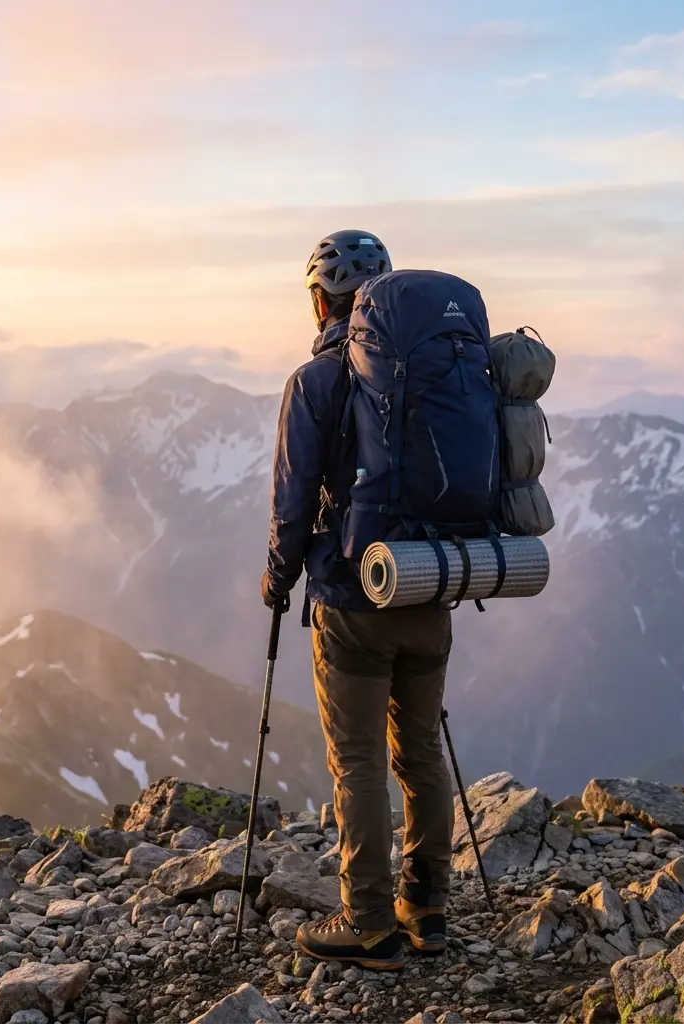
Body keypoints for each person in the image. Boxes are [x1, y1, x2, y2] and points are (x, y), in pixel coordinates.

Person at [260, 230, 455, 970]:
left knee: (359, 764)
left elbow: (293, 498)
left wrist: (279, 578)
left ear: (321, 300)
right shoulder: (429, 373)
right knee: (422, 752)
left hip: (351, 600)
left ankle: (368, 922)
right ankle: (428, 909)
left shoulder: (314, 383)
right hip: (431, 582)